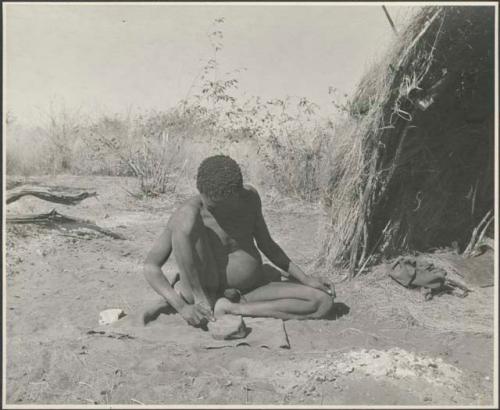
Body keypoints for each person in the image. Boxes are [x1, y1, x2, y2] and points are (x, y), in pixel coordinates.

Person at [143, 155, 334, 328]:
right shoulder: (189, 215)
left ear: (236, 194)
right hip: (205, 297)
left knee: (322, 302)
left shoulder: (249, 199)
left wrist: (305, 278)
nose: (212, 209)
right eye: (209, 203)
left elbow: (267, 245)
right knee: (185, 224)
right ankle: (213, 305)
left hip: (249, 290)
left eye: (219, 205)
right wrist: (183, 308)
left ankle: (231, 309)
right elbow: (151, 267)